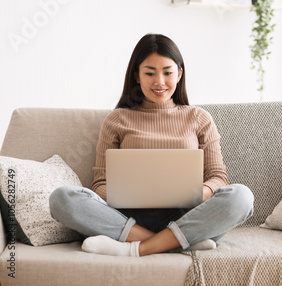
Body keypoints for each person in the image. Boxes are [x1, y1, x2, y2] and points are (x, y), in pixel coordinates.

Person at [49, 34, 254, 257]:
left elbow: (217, 177)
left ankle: (135, 248)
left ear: (179, 74)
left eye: (167, 72)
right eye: (149, 73)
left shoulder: (199, 118)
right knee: (62, 198)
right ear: (137, 75)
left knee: (241, 196)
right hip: (127, 218)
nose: (159, 82)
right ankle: (176, 243)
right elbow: (100, 184)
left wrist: (196, 194)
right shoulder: (117, 119)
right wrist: (125, 194)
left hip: (187, 216)